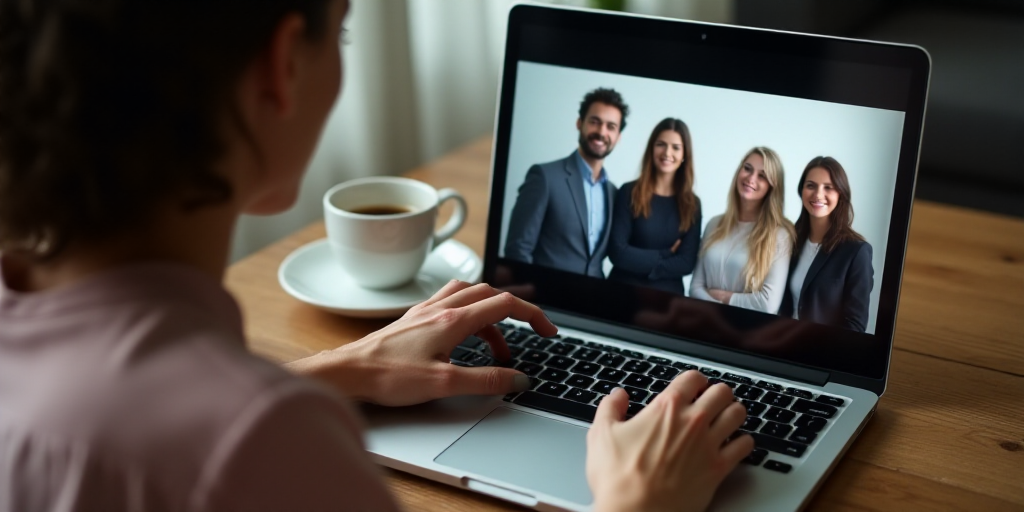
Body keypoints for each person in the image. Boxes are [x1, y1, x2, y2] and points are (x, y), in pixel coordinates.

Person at [0, 1, 752, 511]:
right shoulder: (268, 448)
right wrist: (638, 503)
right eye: (343, 33)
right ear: (281, 67)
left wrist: (335, 370)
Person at [504, 88, 627, 278]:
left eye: (611, 126)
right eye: (595, 122)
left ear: (618, 137)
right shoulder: (544, 177)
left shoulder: (614, 193)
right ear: (579, 123)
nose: (602, 132)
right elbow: (518, 249)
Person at [690, 147, 794, 313]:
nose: (751, 178)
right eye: (747, 168)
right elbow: (695, 287)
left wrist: (724, 297)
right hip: (703, 322)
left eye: (762, 176)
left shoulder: (779, 236)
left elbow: (767, 304)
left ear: (772, 186)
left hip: (745, 327)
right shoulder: (714, 224)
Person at [608, 118, 702, 295]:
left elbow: (686, 263)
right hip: (621, 293)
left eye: (676, 147)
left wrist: (639, 261)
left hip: (667, 301)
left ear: (684, 154)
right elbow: (617, 252)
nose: (667, 152)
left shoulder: (692, 205)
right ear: (651, 148)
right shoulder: (629, 192)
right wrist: (666, 254)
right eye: (661, 144)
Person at [779, 157, 874, 332]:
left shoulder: (856, 251)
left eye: (828, 187)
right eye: (811, 186)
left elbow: (855, 326)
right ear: (802, 191)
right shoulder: (789, 240)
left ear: (840, 194)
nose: (818, 194)